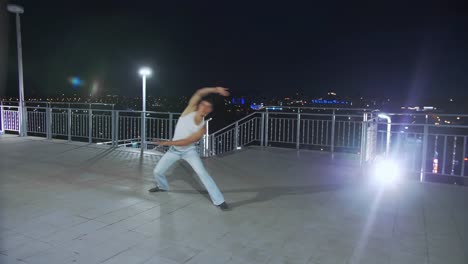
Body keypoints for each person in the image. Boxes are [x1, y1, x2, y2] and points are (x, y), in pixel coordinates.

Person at [149, 87, 230, 210]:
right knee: (157, 172)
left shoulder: (202, 128)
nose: (204, 107)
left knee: (202, 173)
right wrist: (216, 89)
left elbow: (186, 142)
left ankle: (219, 201)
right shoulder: (188, 111)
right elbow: (199, 93)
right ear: (199, 105)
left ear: (209, 110)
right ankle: (162, 186)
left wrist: (166, 142)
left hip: (189, 152)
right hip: (174, 151)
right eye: (203, 104)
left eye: (207, 107)